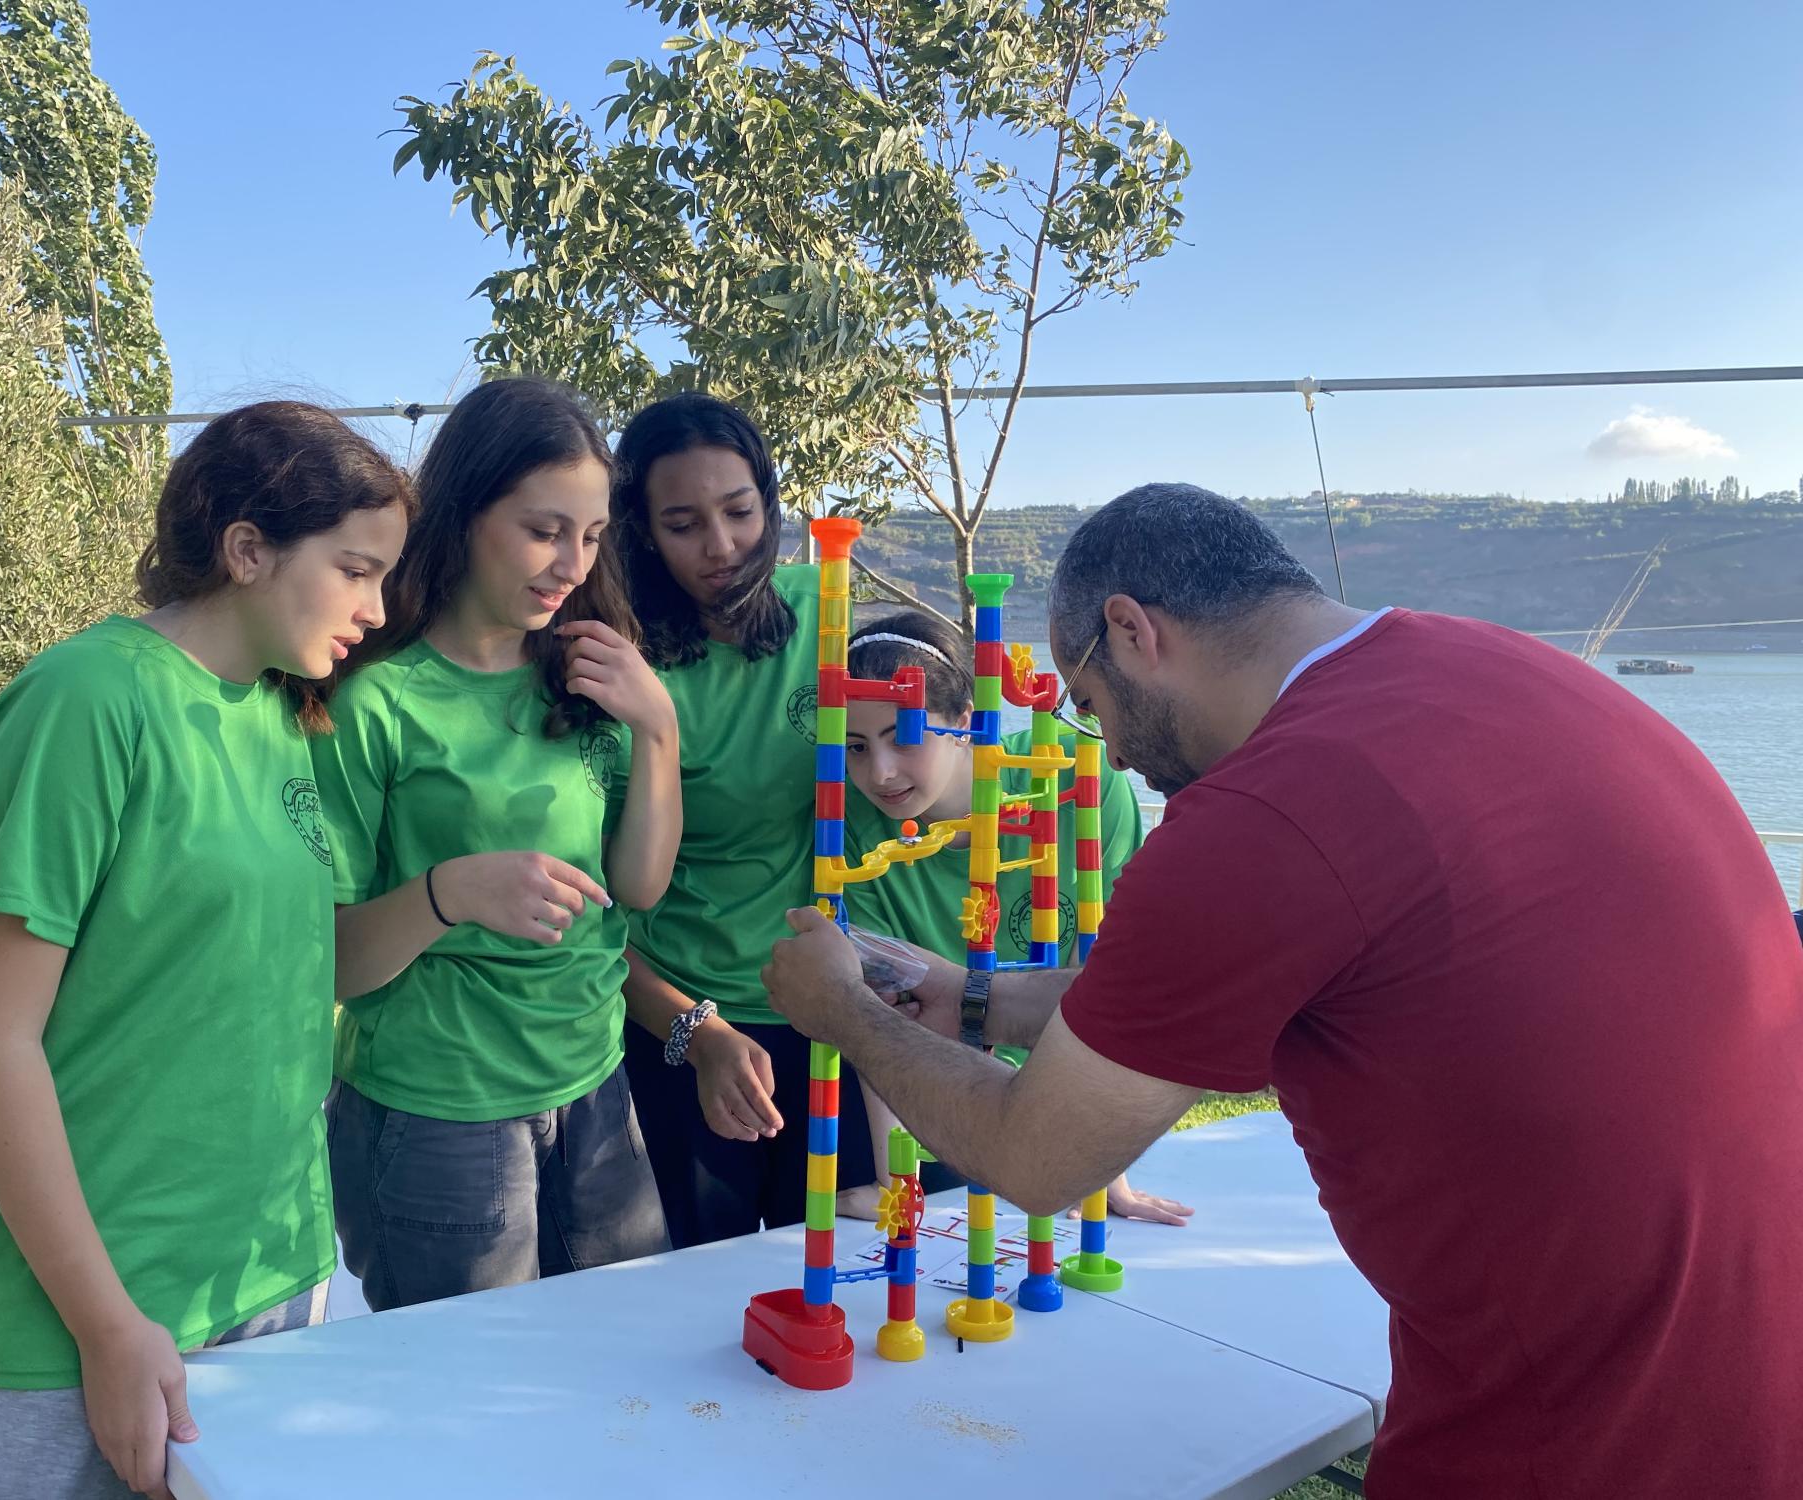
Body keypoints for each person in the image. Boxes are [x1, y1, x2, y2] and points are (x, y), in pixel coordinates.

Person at [761, 482, 1803, 1499]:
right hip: (1754, 1359)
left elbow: (1036, 1158)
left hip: (1584, 1432)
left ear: (1131, 631)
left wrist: (844, 1011)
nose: (1108, 752)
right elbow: (1286, 985)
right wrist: (977, 1001)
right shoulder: (1504, 669)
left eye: (1089, 708)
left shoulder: (1262, 815)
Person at [0, 402, 411, 1499]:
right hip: (77, 1320)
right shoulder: (86, 701)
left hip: (265, 1280)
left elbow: (291, 972)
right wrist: (107, 1327)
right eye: (355, 570)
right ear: (247, 549)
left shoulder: (281, 716)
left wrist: (448, 897)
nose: (377, 609)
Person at [314, 378, 681, 1307]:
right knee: (465, 1380)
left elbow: (638, 887)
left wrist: (658, 729)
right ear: (465, 513)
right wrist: (450, 893)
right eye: (544, 530)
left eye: (591, 536)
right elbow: (331, 963)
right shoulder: (377, 703)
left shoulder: (590, 675)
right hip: (440, 1108)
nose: (571, 564)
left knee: (621, 1348)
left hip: (595, 1084)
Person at [608, 391, 882, 1248]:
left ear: (770, 501)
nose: (722, 546)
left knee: (841, 1273)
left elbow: (922, 762)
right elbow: (594, 911)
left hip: (828, 1012)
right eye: (683, 523)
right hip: (680, 1024)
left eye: (739, 511)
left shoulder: (828, 611)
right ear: (641, 531)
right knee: (697, 1289)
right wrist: (696, 1033)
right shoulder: (623, 663)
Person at [835, 611, 1191, 1227]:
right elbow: (881, 1018)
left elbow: (1105, 984)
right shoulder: (848, 834)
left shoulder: (1076, 778)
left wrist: (1099, 1169)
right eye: (856, 747)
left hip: (1059, 1102)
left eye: (904, 736)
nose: (880, 772)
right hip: (938, 1103)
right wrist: (897, 1185)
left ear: (965, 720)